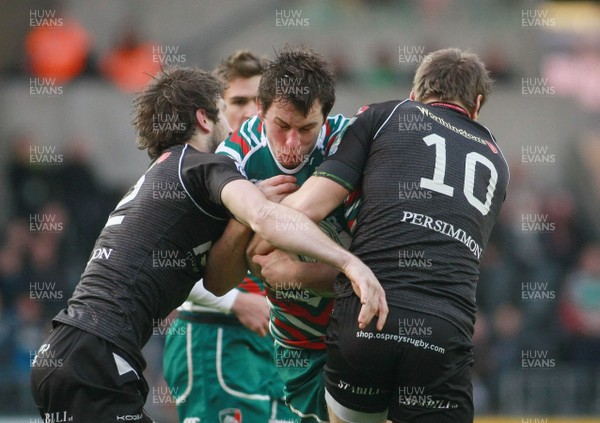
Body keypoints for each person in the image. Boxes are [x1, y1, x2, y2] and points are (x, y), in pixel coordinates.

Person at [29, 66, 387, 423]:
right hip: (96, 355)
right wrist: (349, 264)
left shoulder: (163, 176)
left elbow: (216, 277)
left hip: (70, 350)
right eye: (223, 112)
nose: (233, 127)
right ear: (204, 118)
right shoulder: (202, 166)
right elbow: (265, 217)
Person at [250, 48, 510, 422]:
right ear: (478, 104)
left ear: (415, 94)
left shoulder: (386, 115)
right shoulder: (497, 161)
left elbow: (306, 208)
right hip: (444, 333)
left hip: (368, 321)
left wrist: (264, 239)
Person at [204, 45, 354, 423]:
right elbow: (218, 281)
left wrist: (294, 270)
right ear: (260, 109)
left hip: (358, 329)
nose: (292, 144)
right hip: (297, 342)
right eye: (281, 126)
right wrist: (248, 214)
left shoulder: (353, 144)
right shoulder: (234, 156)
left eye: (306, 129)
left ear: (326, 118)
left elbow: (378, 272)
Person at [162, 50, 297, 423]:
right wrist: (235, 302)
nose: (251, 112)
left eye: (260, 102)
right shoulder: (195, 171)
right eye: (238, 101)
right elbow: (162, 261)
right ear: (215, 110)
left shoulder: (278, 167)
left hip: (274, 345)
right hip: (216, 336)